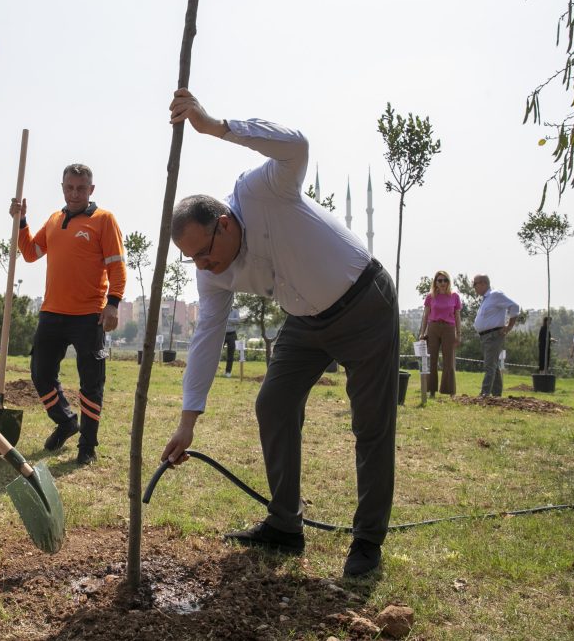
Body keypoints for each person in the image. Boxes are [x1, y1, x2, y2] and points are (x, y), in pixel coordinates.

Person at [159, 89, 398, 578]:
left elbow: (297, 145)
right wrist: (188, 422)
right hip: (304, 322)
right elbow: (207, 335)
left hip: (364, 304)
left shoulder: (260, 191)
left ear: (223, 224)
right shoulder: (211, 272)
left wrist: (215, 126)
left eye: (206, 252)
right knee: (273, 402)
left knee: (371, 425)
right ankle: (285, 524)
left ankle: (368, 541)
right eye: (194, 261)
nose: (205, 266)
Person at [10, 164, 126, 465]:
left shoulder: (104, 220)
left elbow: (116, 266)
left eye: (81, 188)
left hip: (90, 315)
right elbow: (31, 252)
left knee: (91, 382)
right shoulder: (54, 220)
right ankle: (66, 422)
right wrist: (21, 220)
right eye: (70, 187)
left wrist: (113, 304)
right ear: (63, 187)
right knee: (40, 373)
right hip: (51, 312)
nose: (75, 193)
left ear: (91, 190)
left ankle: (87, 445)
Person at [472, 274, 519, 397]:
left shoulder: (495, 295)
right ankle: (496, 394)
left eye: (475, 284)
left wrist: (509, 326)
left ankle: (484, 394)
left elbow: (514, 306)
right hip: (486, 336)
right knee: (493, 364)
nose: (474, 287)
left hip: (493, 335)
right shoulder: (487, 298)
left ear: (483, 283)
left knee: (489, 365)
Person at [417, 270, 461, 397]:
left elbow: (457, 316)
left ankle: (451, 391)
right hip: (433, 328)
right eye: (439, 280)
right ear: (435, 282)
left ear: (448, 282)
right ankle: (431, 391)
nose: (442, 283)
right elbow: (425, 315)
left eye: (445, 280)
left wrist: (458, 334)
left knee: (449, 360)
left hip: (449, 328)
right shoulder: (430, 296)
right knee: (432, 359)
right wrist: (422, 332)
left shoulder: (455, 296)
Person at [223, 306, 241, 378]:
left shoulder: (235, 311)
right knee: (216, 353)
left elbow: (238, 321)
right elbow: (220, 320)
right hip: (222, 334)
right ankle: (212, 370)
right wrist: (232, 321)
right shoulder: (223, 310)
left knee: (230, 354)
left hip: (232, 334)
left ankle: (228, 372)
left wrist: (227, 320)